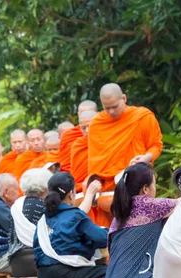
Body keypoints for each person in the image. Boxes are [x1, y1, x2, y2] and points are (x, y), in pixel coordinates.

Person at [106, 163, 177, 278]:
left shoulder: (119, 214)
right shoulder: (149, 205)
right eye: (153, 183)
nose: (155, 188)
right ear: (145, 189)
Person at [87, 83, 163, 226]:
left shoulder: (141, 117)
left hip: (136, 184)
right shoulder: (97, 124)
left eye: (115, 106)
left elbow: (156, 145)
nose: (111, 111)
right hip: (108, 189)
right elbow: (94, 160)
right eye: (106, 107)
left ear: (124, 98)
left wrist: (146, 158)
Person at [33, 172, 107, 278]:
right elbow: (103, 239)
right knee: (112, 272)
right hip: (65, 277)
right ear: (71, 194)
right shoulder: (75, 216)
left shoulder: (42, 220)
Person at [8, 168, 53, 277]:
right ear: (45, 187)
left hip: (16, 264)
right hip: (39, 263)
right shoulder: (44, 206)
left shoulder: (16, 205)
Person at [59, 100, 97, 173]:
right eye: (82, 113)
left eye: (89, 112)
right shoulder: (69, 135)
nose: (85, 115)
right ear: (78, 114)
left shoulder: (106, 133)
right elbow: (66, 165)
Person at [70, 110, 96, 193]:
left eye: (90, 126)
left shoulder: (107, 141)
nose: (87, 131)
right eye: (83, 128)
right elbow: (75, 173)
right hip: (80, 190)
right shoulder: (77, 145)